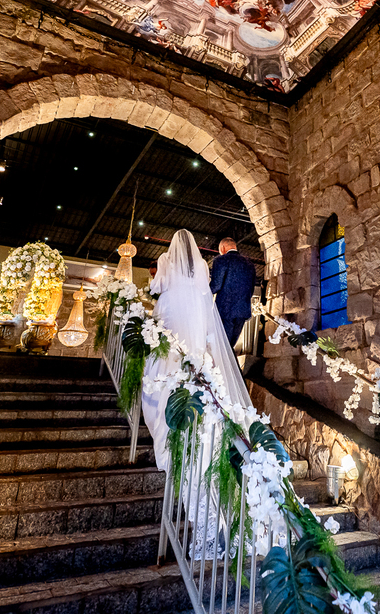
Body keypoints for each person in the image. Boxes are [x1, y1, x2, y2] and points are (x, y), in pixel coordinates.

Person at [140, 230, 253, 559]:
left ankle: (171, 425)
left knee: (164, 376)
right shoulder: (206, 268)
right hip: (205, 328)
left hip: (173, 328)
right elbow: (207, 297)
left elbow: (156, 289)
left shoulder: (165, 261)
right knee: (197, 379)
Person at [209, 237, 256, 348]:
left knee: (222, 346)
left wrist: (203, 294)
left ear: (223, 248)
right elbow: (251, 289)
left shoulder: (221, 260)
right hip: (243, 310)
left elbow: (216, 286)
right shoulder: (250, 264)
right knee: (230, 347)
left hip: (225, 309)